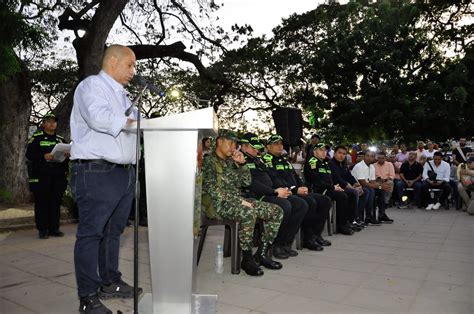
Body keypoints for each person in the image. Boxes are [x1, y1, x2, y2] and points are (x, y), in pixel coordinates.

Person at [70, 45, 141, 314]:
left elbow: (134, 128)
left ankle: (110, 282)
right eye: (130, 65)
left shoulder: (124, 95)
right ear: (113, 60)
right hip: (97, 171)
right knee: (91, 234)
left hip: (123, 173)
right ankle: (88, 297)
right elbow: (99, 119)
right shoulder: (92, 86)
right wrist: (133, 123)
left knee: (114, 232)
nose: (133, 71)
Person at [202, 130, 283, 276]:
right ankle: (246, 259)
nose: (234, 147)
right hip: (218, 205)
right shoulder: (209, 161)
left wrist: (243, 164)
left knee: (276, 211)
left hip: (238, 201)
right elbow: (212, 190)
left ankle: (261, 254)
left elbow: (246, 182)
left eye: (235, 144)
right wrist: (240, 201)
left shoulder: (231, 161)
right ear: (219, 142)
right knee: (248, 211)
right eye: (231, 143)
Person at [240, 133, 307, 259]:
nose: (256, 150)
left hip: (270, 193)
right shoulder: (240, 160)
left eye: (257, 147)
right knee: (285, 206)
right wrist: (275, 192)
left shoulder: (258, 159)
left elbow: (272, 176)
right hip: (254, 197)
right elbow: (250, 183)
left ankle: (285, 242)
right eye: (253, 147)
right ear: (243, 146)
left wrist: (283, 189)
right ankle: (275, 244)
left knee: (300, 204)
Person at [264, 135, 331, 251]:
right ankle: (285, 242)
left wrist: (302, 186)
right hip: (281, 193)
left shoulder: (284, 161)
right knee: (307, 202)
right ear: (268, 147)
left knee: (324, 200)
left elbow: (295, 177)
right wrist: (295, 189)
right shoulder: (267, 160)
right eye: (276, 144)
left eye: (281, 143)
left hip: (294, 191)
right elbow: (274, 179)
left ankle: (314, 235)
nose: (280, 146)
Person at [26, 112, 69, 239]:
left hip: (58, 176)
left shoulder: (60, 139)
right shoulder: (37, 137)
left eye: (54, 121)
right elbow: (29, 154)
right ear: (43, 124)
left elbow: (66, 156)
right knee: (42, 203)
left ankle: (54, 228)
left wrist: (67, 156)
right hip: (42, 176)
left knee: (55, 202)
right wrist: (43, 156)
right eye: (49, 121)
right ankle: (43, 229)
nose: (52, 124)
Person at [304, 143, 357, 235]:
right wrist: (333, 187)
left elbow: (330, 179)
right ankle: (340, 225)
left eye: (325, 150)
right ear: (314, 152)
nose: (324, 152)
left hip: (327, 189)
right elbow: (316, 180)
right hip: (317, 190)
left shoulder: (324, 163)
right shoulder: (312, 162)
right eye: (321, 150)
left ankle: (345, 222)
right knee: (342, 196)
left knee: (347, 194)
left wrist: (336, 187)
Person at [329, 145, 367, 228]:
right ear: (334, 153)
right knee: (353, 192)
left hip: (344, 186)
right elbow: (336, 178)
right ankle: (350, 220)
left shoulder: (343, 164)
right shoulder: (331, 163)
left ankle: (357, 217)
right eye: (339, 153)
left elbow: (349, 176)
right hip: (335, 187)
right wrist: (348, 186)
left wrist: (357, 184)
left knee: (364, 191)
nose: (341, 155)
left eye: (344, 154)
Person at [351, 151, 394, 224]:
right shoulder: (359, 166)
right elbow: (363, 183)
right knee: (370, 190)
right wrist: (381, 186)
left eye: (371, 156)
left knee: (380, 191)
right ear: (364, 157)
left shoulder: (372, 167)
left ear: (374, 158)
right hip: (357, 186)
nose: (369, 158)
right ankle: (367, 216)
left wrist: (381, 187)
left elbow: (372, 182)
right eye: (367, 156)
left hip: (366, 187)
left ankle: (381, 214)